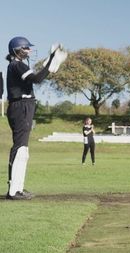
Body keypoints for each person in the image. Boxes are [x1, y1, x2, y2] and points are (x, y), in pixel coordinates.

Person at [5, 36, 67, 200]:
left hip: (23, 107)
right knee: (20, 148)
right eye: (26, 48)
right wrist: (51, 64)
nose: (29, 51)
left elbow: (36, 76)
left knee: (23, 150)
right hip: (21, 107)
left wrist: (51, 60)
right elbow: (38, 79)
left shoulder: (17, 65)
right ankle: (13, 191)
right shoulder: (17, 65)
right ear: (17, 50)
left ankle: (17, 188)